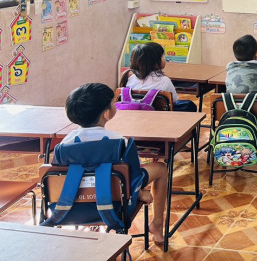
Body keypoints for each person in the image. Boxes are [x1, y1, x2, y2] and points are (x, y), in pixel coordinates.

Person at [57, 83, 168, 244]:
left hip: (71, 209)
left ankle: (93, 226)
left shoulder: (63, 145)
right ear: (107, 113)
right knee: (161, 168)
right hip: (114, 207)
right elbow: (133, 177)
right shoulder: (119, 143)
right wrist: (139, 193)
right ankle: (157, 224)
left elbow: (59, 178)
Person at [120, 42, 197, 112]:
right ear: (156, 61)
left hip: (132, 115)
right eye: (163, 55)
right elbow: (174, 101)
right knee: (189, 105)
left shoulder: (128, 77)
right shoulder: (165, 81)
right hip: (159, 117)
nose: (164, 57)